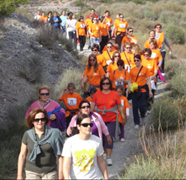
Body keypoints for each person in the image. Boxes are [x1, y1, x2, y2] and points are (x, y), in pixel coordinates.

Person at [17, 108, 63, 180]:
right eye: (37, 120)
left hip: (50, 172)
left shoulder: (54, 133)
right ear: (32, 121)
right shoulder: (27, 134)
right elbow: (22, 155)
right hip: (31, 172)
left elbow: (60, 155)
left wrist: (61, 174)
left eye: (42, 119)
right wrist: (19, 175)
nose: (40, 121)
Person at [62, 113, 109, 180]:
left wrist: (106, 177)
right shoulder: (70, 142)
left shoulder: (97, 140)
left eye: (90, 124)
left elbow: (101, 161)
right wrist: (67, 178)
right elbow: (66, 164)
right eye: (85, 125)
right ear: (78, 126)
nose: (88, 127)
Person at [91, 77, 125, 166]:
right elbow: (92, 106)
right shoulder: (97, 94)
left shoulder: (115, 94)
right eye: (104, 83)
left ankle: (109, 157)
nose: (105, 85)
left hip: (111, 119)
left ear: (110, 84)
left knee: (109, 137)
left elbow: (119, 106)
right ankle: (104, 154)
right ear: (101, 85)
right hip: (99, 120)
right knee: (100, 138)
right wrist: (88, 116)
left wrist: (123, 116)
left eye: (107, 83)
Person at [129, 54, 153, 129]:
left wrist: (150, 91)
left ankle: (143, 119)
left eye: (137, 60)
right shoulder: (132, 70)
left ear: (140, 61)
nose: (136, 62)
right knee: (135, 106)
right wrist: (128, 91)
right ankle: (136, 122)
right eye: (135, 60)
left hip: (142, 89)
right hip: (134, 89)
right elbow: (130, 81)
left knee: (142, 105)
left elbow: (148, 79)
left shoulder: (145, 69)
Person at [141, 48, 158, 114]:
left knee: (151, 94)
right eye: (144, 55)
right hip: (144, 80)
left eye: (147, 55)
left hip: (152, 80)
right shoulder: (142, 61)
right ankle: (145, 108)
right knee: (145, 94)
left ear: (150, 55)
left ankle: (149, 108)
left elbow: (156, 70)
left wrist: (154, 75)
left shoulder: (153, 60)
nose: (146, 56)